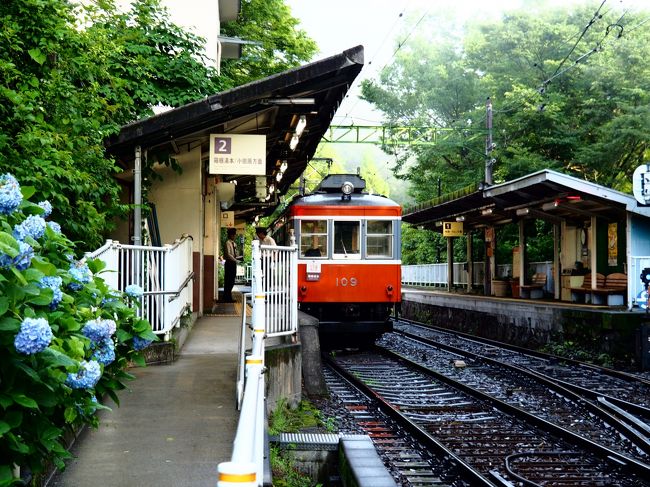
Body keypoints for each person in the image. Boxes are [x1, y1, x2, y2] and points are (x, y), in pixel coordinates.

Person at [223, 227, 239, 302]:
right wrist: (235, 260)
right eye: (233, 235)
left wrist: (238, 256)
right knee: (228, 280)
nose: (234, 236)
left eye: (234, 235)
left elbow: (236, 253)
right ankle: (227, 297)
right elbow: (228, 254)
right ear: (230, 235)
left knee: (232, 279)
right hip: (229, 263)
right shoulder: (227, 243)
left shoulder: (234, 243)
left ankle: (228, 296)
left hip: (233, 263)